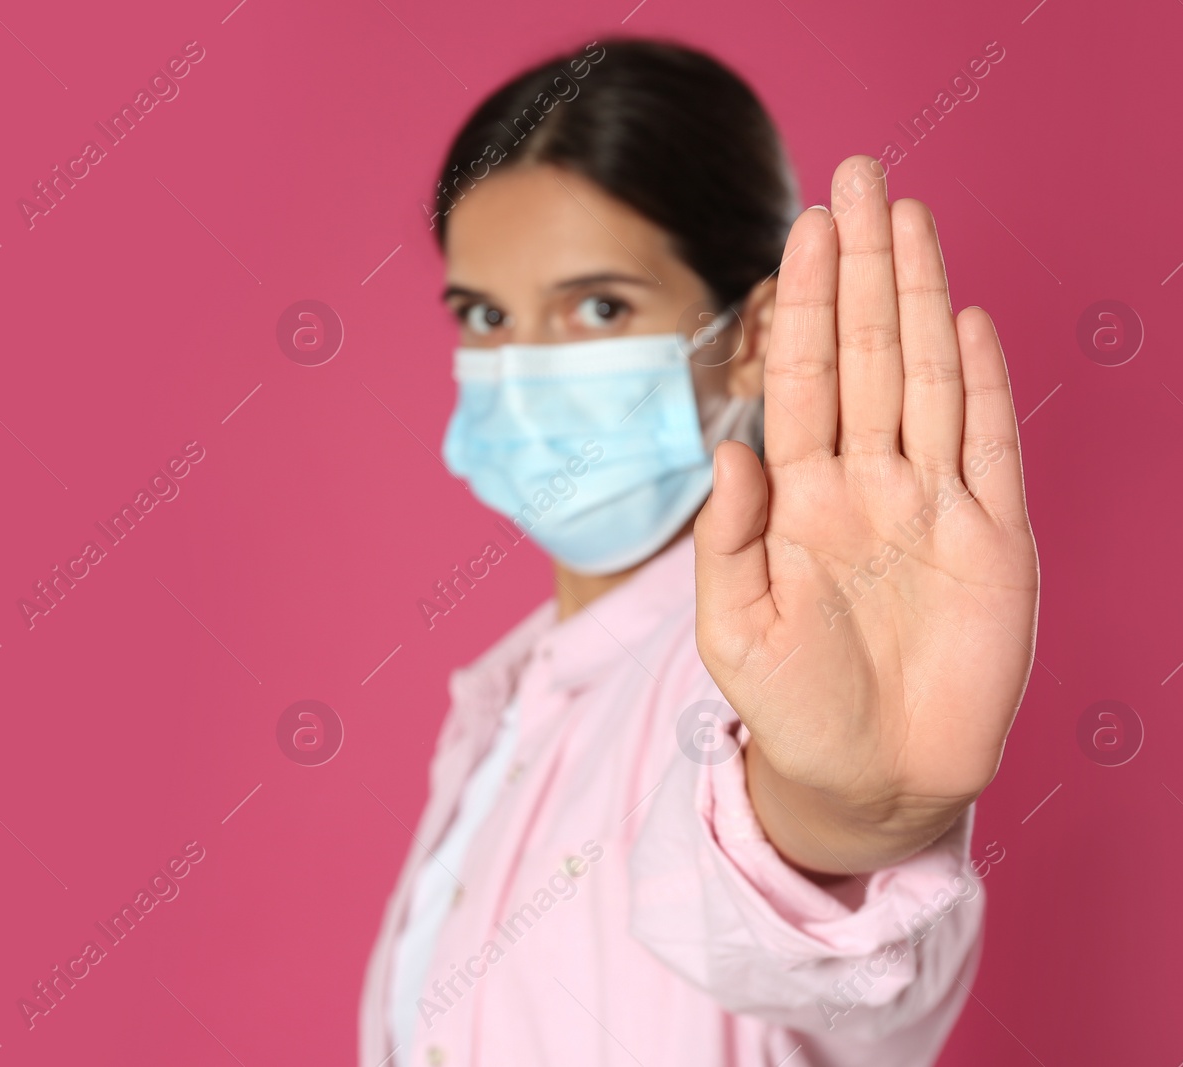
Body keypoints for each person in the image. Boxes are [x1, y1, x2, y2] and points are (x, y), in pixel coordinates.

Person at [361, 37, 1040, 1067]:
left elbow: (821, 955)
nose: (522, 366)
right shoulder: (509, 696)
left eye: (600, 307)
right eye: (485, 315)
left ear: (755, 331)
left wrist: (845, 814)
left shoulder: (761, 677)